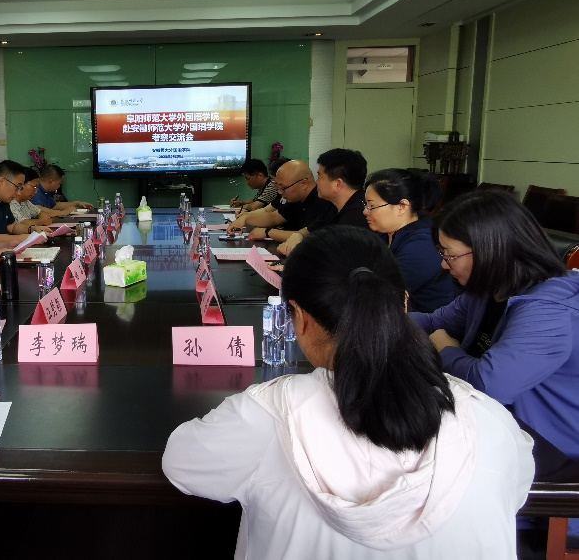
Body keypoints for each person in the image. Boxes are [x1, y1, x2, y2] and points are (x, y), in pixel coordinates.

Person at [163, 226, 534, 559]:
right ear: (403, 303)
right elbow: (514, 490)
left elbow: (182, 464)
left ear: (300, 317)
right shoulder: (490, 421)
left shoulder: (267, 415)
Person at [413, 190, 579, 459]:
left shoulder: (549, 310)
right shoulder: (489, 289)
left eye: (449, 254)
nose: (444, 264)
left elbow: (490, 386)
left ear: (489, 251)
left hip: (549, 445)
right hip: (495, 421)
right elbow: (433, 323)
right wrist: (380, 319)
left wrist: (446, 350)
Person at [363, 169, 455, 312]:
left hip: (425, 322)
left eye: (372, 206)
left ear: (402, 206)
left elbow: (375, 291)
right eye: (366, 205)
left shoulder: (423, 245)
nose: (365, 211)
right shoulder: (384, 234)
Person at [278, 148, 369, 256]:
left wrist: (297, 250)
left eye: (320, 177)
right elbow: (312, 229)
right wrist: (298, 235)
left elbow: (332, 256)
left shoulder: (357, 216)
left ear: (338, 184)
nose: (316, 182)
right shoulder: (333, 205)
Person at [229, 159, 334, 245]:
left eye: (283, 188)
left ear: (303, 184)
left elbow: (307, 236)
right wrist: (245, 218)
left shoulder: (321, 200)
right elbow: (274, 217)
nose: (280, 192)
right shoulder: (297, 198)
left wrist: (267, 232)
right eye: (277, 187)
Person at [9, 167, 68, 232]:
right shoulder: (10, 203)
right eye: (34, 187)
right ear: (22, 185)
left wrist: (39, 221)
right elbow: (25, 224)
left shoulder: (26, 202)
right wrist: (41, 221)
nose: (36, 191)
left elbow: (42, 213)